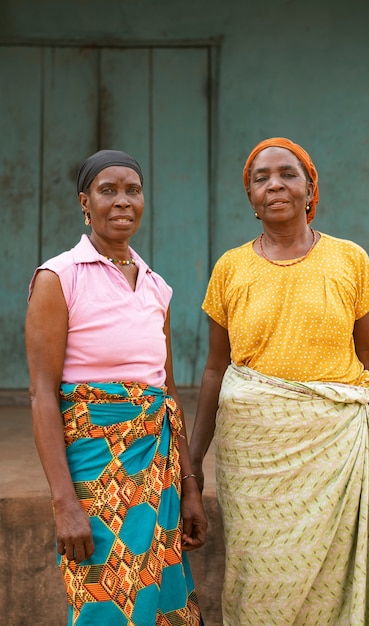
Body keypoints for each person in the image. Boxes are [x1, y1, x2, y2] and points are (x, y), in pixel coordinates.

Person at [189, 137, 369, 625]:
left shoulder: (350, 260)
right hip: (254, 462)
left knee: (335, 589)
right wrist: (194, 463)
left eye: (287, 174)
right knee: (258, 584)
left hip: (337, 453)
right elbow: (213, 369)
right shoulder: (230, 268)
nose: (274, 185)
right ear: (249, 196)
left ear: (310, 188)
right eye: (261, 177)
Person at [25, 149, 207, 626]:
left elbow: (166, 394)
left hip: (158, 476)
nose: (122, 201)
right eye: (108, 191)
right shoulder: (58, 277)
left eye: (133, 190)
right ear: (85, 203)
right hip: (94, 477)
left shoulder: (156, 287)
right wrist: (64, 502)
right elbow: (42, 395)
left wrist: (189, 488)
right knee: (102, 602)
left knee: (159, 601)